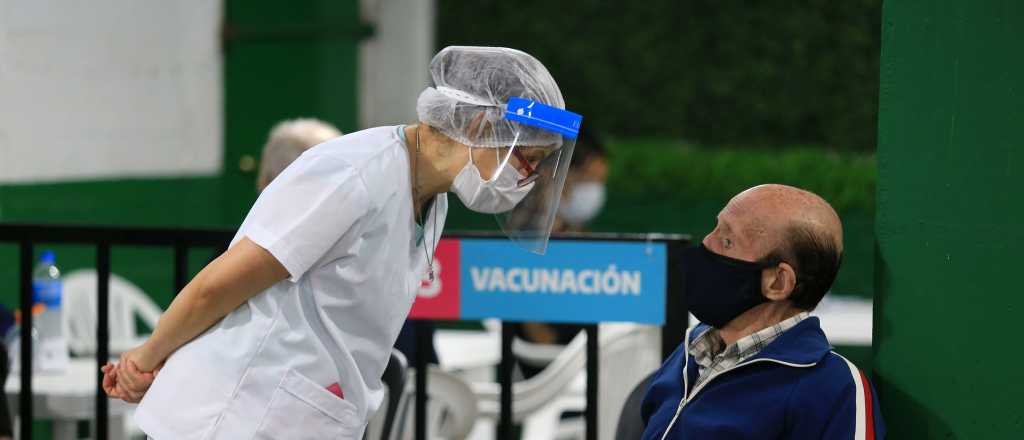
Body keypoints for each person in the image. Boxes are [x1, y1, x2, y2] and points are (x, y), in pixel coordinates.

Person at [100, 46, 583, 439]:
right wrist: (144, 359)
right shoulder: (352, 174)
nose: (529, 178)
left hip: (301, 418)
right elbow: (221, 284)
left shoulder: (430, 199)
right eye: (526, 159)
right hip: (235, 417)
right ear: (479, 126)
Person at [642, 184, 886, 439]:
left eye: (727, 241)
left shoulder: (832, 386)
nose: (706, 242)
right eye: (715, 227)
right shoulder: (691, 351)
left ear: (778, 282)